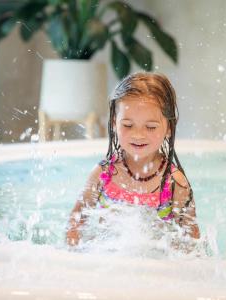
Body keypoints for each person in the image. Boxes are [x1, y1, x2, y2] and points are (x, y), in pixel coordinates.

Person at [66, 72, 200, 247]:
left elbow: (192, 242)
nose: (138, 135)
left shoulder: (175, 184)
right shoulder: (103, 175)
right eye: (128, 125)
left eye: (151, 127)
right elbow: (76, 221)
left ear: (169, 127)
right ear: (114, 122)